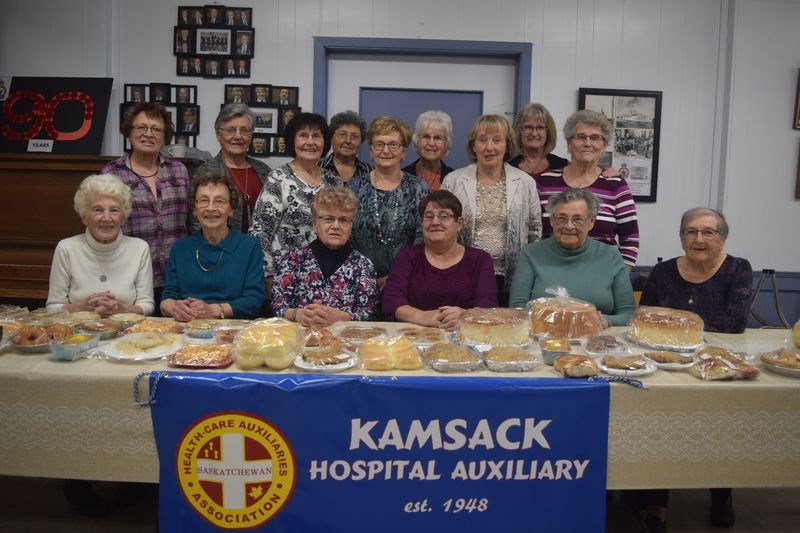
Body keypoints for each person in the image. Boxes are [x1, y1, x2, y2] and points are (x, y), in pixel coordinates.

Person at [636, 208, 751, 532]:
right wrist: (675, 328)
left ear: (723, 238)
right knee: (658, 425)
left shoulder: (737, 269)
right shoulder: (662, 272)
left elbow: (734, 321)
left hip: (717, 362)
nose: (698, 239)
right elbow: (644, 318)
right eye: (691, 231)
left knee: (720, 425)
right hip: (665, 364)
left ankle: (721, 493)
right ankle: (657, 504)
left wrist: (673, 323)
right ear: (682, 236)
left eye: (708, 232)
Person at [441, 114, 541, 306]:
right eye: (482, 140)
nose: (489, 147)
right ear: (473, 146)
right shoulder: (453, 180)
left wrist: (528, 271)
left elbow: (535, 231)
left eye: (497, 140)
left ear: (507, 145)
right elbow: (444, 227)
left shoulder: (525, 182)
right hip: (464, 273)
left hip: (512, 276)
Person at [102, 102, 190, 307]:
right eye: (141, 127)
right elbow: (103, 228)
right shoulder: (112, 174)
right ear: (129, 132)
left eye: (156, 129)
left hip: (175, 278)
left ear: (164, 135)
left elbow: (191, 222)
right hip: (131, 277)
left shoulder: (179, 170)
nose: (148, 134)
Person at [250, 113, 341, 305]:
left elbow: (341, 226)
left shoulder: (333, 181)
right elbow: (260, 232)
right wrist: (268, 276)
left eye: (316, 136)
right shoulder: (278, 179)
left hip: (326, 275)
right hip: (285, 277)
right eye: (303, 135)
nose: (310, 142)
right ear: (292, 141)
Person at [509, 188, 634, 326]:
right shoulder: (531, 254)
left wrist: (606, 321)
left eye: (578, 219)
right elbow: (517, 310)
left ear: (591, 222)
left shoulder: (611, 256)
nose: (569, 226)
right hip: (543, 339)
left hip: (597, 340)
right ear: (552, 221)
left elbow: (628, 314)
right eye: (561, 219)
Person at [536, 109, 639, 269]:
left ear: (604, 146)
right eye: (581, 137)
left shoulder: (616, 185)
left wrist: (618, 277)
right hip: (551, 271)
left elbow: (630, 239)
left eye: (595, 138)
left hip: (602, 274)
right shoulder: (545, 182)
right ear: (569, 143)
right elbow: (534, 234)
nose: (588, 143)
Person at [383, 190, 496, 330]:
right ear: (421, 223)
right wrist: (422, 317)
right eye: (429, 217)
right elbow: (391, 301)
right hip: (413, 338)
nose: (435, 222)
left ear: (459, 223)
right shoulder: (407, 256)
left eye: (444, 216)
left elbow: (487, 305)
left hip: (464, 337)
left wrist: (466, 316)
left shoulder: (480, 260)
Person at [161, 171, 264, 320]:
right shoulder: (180, 248)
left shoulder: (249, 246)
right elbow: (167, 299)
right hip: (187, 327)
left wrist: (214, 310)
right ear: (195, 210)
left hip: (232, 331)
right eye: (203, 200)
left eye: (219, 201)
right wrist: (176, 308)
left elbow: (254, 300)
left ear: (231, 209)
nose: (210, 208)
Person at [46, 173, 154, 317]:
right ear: (84, 216)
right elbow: (53, 306)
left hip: (127, 333)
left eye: (114, 210)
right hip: (78, 334)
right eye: (98, 210)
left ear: (123, 217)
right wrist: (80, 307)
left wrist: (123, 310)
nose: (107, 218)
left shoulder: (139, 248)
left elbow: (147, 304)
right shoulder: (66, 248)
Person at [273, 187, 379, 325]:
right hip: (300, 340)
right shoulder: (293, 260)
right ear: (315, 225)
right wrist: (297, 314)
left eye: (343, 220)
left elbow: (371, 314)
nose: (336, 226)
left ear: (351, 225)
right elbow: (278, 305)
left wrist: (343, 318)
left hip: (346, 342)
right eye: (328, 219)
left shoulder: (364, 266)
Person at [347, 115, 429, 286]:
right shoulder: (354, 187)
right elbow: (347, 236)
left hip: (407, 280)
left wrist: (397, 276)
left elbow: (422, 236)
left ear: (403, 152)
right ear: (371, 150)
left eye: (393, 145)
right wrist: (366, 276)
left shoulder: (418, 187)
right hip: (359, 280)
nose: (386, 151)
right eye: (379, 144)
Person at [194, 104, 272, 234]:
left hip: (260, 250)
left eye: (244, 130)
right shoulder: (205, 172)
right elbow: (196, 222)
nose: (238, 136)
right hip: (220, 249)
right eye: (230, 130)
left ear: (251, 135)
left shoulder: (264, 171)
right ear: (218, 135)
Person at [509, 102, 568, 178]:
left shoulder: (564, 166)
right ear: (518, 131)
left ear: (548, 132)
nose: (534, 133)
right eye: (528, 127)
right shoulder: (508, 169)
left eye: (540, 127)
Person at [401, 110, 455, 191]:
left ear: (446, 144)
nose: (431, 143)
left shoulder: (455, 178)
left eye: (437, 138)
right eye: (426, 137)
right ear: (417, 140)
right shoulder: (402, 177)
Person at [318, 110, 372, 183]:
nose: (348, 141)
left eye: (354, 136)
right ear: (331, 138)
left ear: (361, 141)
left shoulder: (370, 172)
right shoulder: (317, 168)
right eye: (342, 135)